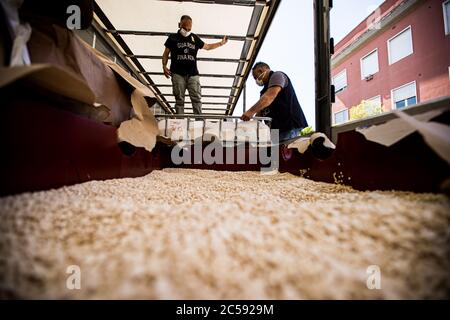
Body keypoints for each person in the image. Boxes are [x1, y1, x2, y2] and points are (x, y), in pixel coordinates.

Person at [162, 15, 228, 115]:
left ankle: (199, 123)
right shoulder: (172, 38)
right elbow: (166, 53)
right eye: (185, 28)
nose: (187, 30)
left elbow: (208, 47)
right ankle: (180, 124)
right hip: (177, 74)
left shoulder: (194, 38)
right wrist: (164, 66)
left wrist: (221, 43)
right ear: (179, 25)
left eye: (189, 29)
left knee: (196, 99)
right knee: (179, 100)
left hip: (193, 75)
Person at [241, 62, 309, 142]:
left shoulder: (277, 76)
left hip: (288, 127)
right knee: (275, 153)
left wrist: (250, 111)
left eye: (256, 77)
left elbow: (269, 97)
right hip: (275, 131)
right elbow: (260, 113)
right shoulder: (264, 91)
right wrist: (250, 127)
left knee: (285, 151)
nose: (257, 80)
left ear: (261, 71)